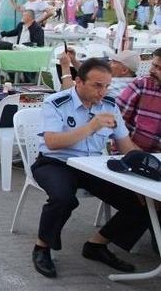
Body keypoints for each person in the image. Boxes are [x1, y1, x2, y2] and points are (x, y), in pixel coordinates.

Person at [30, 58, 151, 278]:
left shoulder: (109, 106)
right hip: (55, 162)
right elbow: (52, 142)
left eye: (106, 86)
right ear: (78, 81)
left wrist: (147, 167)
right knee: (63, 197)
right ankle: (42, 247)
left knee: (142, 202)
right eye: (97, 85)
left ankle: (96, 245)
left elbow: (126, 146)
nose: (102, 92)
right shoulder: (57, 102)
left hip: (92, 166)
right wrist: (91, 127)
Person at [117, 47, 161, 152]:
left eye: (158, 67)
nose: (151, 70)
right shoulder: (141, 85)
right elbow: (115, 124)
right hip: (129, 154)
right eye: (153, 65)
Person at [58, 49, 139, 98]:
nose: (109, 63)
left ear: (124, 70)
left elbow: (69, 94)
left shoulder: (112, 86)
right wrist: (74, 60)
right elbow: (91, 74)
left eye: (114, 62)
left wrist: (65, 67)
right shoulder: (135, 83)